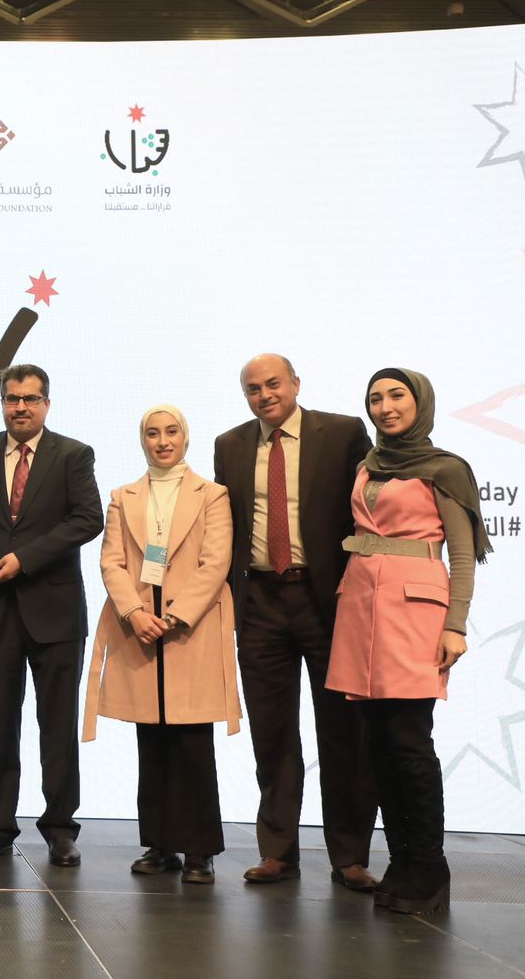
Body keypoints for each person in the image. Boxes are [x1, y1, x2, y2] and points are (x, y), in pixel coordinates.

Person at [212, 353, 379, 889]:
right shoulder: (229, 445)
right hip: (260, 602)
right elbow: (228, 528)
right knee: (272, 734)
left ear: (296, 384)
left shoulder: (343, 433)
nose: (264, 395)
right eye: (253, 389)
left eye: (273, 384)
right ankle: (278, 851)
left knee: (344, 730)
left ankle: (349, 855)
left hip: (327, 601)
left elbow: (368, 512)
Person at [328, 368, 486, 915]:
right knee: (378, 746)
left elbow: (462, 555)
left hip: (417, 613)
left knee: (410, 742)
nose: (385, 406)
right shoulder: (367, 465)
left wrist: (456, 625)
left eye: (397, 395)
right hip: (361, 610)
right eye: (375, 398)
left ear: (420, 402)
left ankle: (430, 867)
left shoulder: (446, 468)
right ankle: (401, 862)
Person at [0, 364, 101, 868]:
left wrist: (25, 558)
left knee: (57, 727)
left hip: (56, 612)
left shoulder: (73, 454)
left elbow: (88, 519)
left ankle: (60, 828)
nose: (21, 408)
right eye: (12, 399)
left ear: (46, 404)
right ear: (3, 404)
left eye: (31, 399)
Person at [84, 405, 240, 884]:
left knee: (192, 743)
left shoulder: (212, 494)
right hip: (141, 628)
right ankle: (159, 844)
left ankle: (199, 850)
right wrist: (134, 612)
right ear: (142, 440)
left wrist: (174, 616)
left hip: (189, 628)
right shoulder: (122, 496)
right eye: (152, 433)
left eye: (171, 431)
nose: (162, 441)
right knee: (150, 742)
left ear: (185, 437)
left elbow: (215, 563)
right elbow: (112, 562)